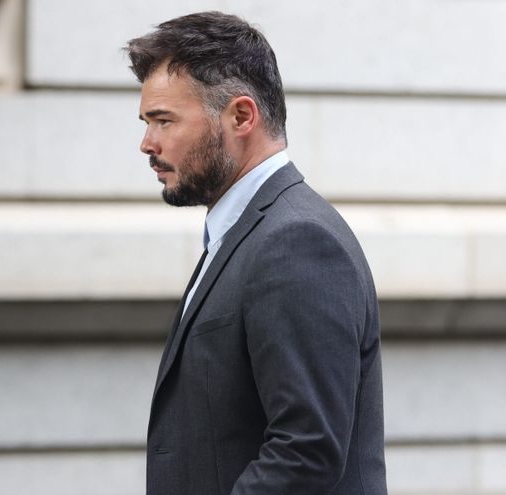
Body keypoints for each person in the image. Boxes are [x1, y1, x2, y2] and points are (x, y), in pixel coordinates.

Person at [126, 11, 387, 494]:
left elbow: (305, 452)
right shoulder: (243, 232)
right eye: (147, 122)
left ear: (242, 116)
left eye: (164, 121)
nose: (147, 143)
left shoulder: (297, 242)